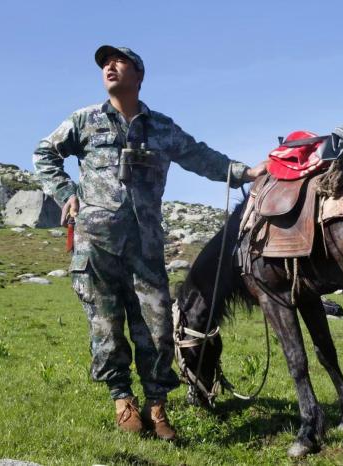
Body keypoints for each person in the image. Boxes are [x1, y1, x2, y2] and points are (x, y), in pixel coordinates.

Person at [32, 45, 267, 440]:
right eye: (104, 63)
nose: (109, 66)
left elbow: (200, 157)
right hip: (96, 245)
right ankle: (123, 400)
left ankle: (157, 407)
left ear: (138, 75)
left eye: (117, 61)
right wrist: (64, 191)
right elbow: (44, 153)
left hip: (145, 247)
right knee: (106, 328)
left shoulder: (160, 127)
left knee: (158, 329)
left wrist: (245, 172)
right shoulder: (85, 121)